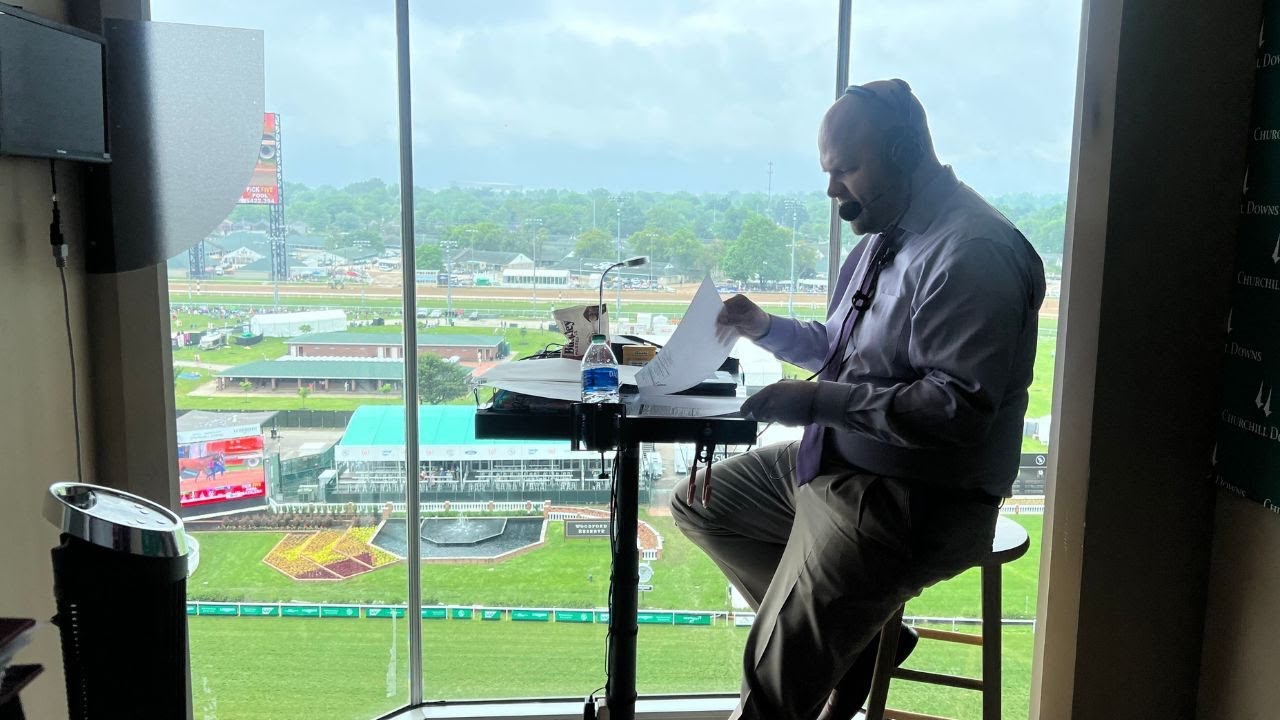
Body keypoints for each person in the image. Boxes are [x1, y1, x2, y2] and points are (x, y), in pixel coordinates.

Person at [671, 79, 1045, 720]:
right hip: (840, 462)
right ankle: (866, 640)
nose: (832, 190)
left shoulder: (972, 253)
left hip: (911, 495)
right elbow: (842, 350)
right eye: (828, 170)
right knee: (701, 505)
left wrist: (816, 405)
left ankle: (829, 647)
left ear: (902, 151)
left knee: (769, 688)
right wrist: (765, 328)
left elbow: (955, 411)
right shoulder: (883, 234)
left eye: (846, 169)